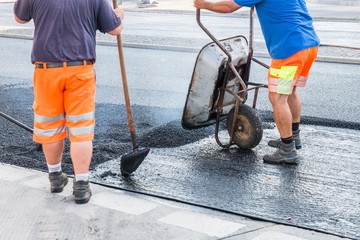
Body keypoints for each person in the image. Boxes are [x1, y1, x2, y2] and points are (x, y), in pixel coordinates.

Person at [13, 0, 124, 204]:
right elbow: (115, 29)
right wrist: (119, 14)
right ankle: (81, 186)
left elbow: (19, 18)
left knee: (50, 126)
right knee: (81, 130)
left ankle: (55, 177)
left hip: (46, 71)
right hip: (79, 70)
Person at [193, 0, 320, 164]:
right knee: (291, 91)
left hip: (289, 49)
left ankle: (287, 150)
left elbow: (230, 6)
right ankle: (293, 137)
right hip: (308, 46)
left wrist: (205, 5)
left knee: (278, 98)